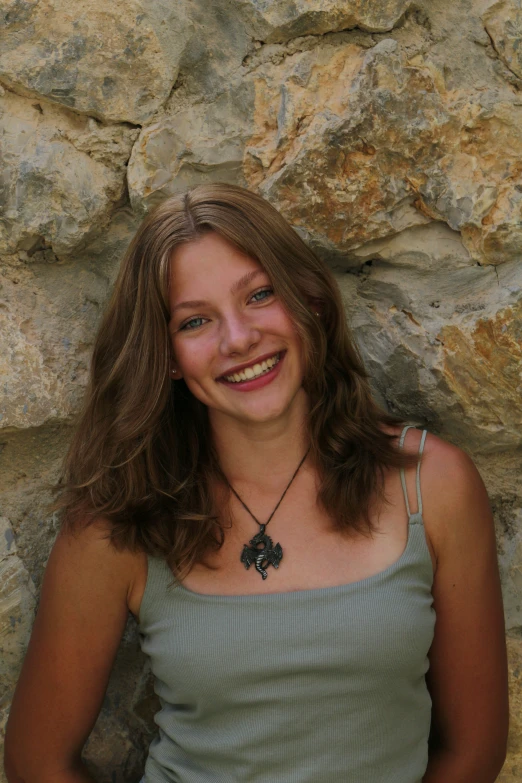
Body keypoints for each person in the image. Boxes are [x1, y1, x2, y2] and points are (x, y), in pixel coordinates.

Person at [4, 183, 509, 783]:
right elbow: (36, 763)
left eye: (260, 295)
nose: (238, 339)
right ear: (166, 356)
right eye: (195, 321)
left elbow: (473, 751)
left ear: (310, 302)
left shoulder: (434, 487)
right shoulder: (119, 522)